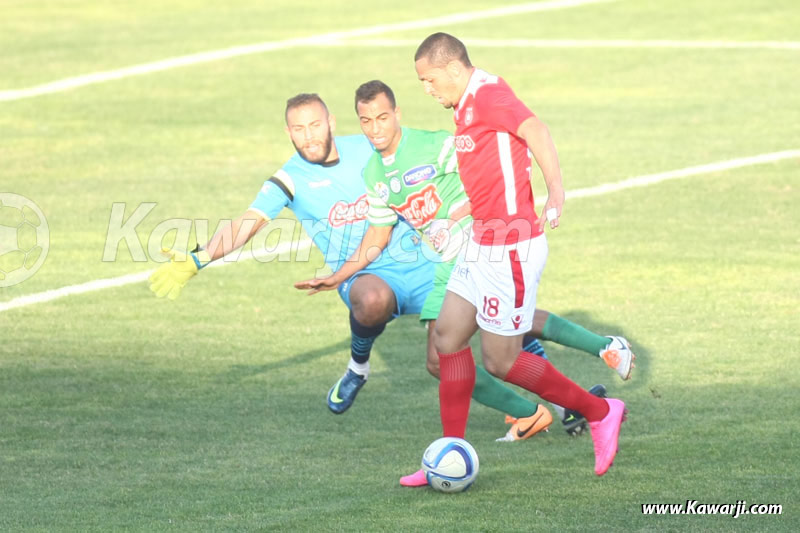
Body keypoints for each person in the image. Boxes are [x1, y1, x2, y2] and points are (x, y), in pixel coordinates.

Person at [148, 92, 566, 445]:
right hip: (362, 274)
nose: (309, 136)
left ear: (330, 122)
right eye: (298, 129)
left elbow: (434, 165)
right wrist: (198, 258)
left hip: (425, 266)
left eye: (315, 125)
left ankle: (561, 400)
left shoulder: (370, 148)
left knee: (478, 330)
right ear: (288, 132)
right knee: (372, 300)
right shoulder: (289, 179)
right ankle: (358, 368)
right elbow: (248, 222)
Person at [296, 80, 634, 484]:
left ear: (397, 114)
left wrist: (463, 213)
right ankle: (457, 448)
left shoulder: (436, 144)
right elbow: (377, 236)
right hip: (449, 263)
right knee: (453, 348)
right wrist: (337, 277)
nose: (375, 128)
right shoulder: (374, 172)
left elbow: (487, 177)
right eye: (366, 121)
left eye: (382, 117)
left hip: (482, 247)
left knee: (493, 351)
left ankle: (581, 405)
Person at [413, 32, 627, 476]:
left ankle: (601, 412)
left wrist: (556, 190)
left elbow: (536, 130)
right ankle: (450, 453)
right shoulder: (463, 105)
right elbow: (492, 176)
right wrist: (454, 217)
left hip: (511, 249)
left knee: (501, 360)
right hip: (481, 242)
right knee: (447, 339)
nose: (427, 89)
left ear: (452, 68)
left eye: (429, 80)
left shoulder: (488, 94)